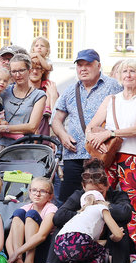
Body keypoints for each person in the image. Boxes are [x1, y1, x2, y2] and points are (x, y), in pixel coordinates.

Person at [84, 57, 136, 246]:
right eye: (125, 71)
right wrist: (95, 140)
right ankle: (95, 244)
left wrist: (110, 132)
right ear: (119, 76)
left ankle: (132, 247)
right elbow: (90, 127)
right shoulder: (111, 99)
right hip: (108, 156)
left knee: (133, 203)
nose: (128, 75)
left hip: (132, 157)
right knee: (98, 198)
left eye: (133, 71)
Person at [39, 159, 133, 263]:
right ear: (83, 188)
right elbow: (59, 217)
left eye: (99, 192)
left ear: (107, 185)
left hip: (107, 241)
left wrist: (99, 210)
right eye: (90, 193)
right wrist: (85, 215)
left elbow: (125, 213)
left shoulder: (117, 195)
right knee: (62, 227)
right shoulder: (79, 195)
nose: (94, 197)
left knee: (120, 224)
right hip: (81, 242)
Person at [51, 48, 122, 202]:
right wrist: (63, 136)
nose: (83, 69)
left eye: (88, 64)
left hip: (101, 155)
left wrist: (108, 135)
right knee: (69, 201)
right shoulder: (70, 90)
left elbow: (124, 116)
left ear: (99, 66)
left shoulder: (113, 86)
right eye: (79, 65)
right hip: (74, 154)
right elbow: (56, 120)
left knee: (100, 200)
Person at [0, 53, 47, 169]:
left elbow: (32, 126)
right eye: (14, 71)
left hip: (19, 147)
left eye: (21, 70)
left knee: (15, 179)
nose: (18, 75)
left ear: (29, 71)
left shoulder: (38, 95)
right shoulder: (3, 89)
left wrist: (1, 128)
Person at [52, 189, 124, 263]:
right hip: (79, 239)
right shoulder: (101, 207)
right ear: (102, 200)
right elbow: (118, 234)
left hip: (59, 244)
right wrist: (114, 236)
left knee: (79, 256)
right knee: (100, 251)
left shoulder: (80, 214)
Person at [5, 176, 57, 263]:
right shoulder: (26, 207)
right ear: (29, 192)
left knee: (31, 214)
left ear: (50, 196)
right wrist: (14, 256)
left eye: (43, 191)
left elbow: (42, 236)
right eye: (34, 190)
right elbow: (9, 239)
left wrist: (17, 252)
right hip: (21, 253)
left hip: (42, 252)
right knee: (18, 213)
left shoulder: (51, 209)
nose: (37, 194)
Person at [28, 51, 58, 135]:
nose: (34, 71)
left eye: (38, 68)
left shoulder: (50, 90)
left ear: (43, 71)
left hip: (45, 138)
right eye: (32, 68)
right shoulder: (20, 91)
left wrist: (53, 97)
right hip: (24, 139)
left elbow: (57, 119)